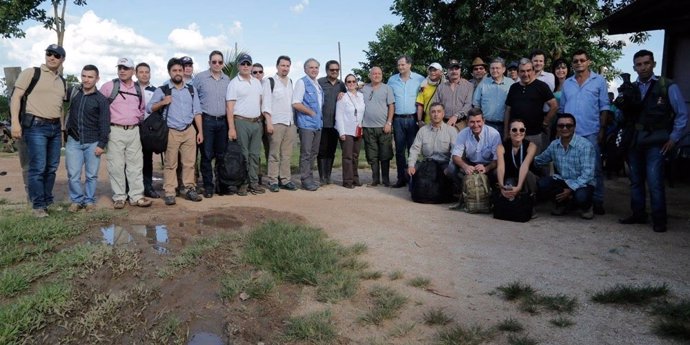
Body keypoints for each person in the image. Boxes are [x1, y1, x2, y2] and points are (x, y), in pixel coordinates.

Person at [618, 49, 689, 232]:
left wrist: (674, 138)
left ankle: (659, 219)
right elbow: (621, 115)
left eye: (646, 63)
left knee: (655, 180)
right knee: (635, 180)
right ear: (634, 67)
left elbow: (682, 114)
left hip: (656, 141)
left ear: (653, 64)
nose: (642, 68)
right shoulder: (631, 88)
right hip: (635, 140)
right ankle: (638, 214)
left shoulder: (666, 85)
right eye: (639, 64)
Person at [10, 44, 67, 217]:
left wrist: (62, 129)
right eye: (49, 53)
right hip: (35, 126)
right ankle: (38, 206)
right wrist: (15, 123)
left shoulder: (61, 81)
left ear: (62, 60)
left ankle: (48, 200)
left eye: (56, 55)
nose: (52, 57)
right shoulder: (31, 73)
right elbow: (16, 97)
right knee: (38, 167)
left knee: (51, 167)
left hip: (55, 127)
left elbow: (60, 107)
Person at [559, 49, 610, 215]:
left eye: (582, 60)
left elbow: (604, 107)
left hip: (591, 132)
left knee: (594, 169)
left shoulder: (599, 81)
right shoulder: (567, 83)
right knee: (568, 169)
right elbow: (562, 110)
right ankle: (571, 201)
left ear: (588, 62)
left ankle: (597, 201)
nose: (579, 63)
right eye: (575, 61)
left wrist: (602, 130)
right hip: (568, 133)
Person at [148, 58, 204, 205]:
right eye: (175, 70)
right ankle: (170, 192)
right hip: (171, 131)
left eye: (180, 70)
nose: (178, 73)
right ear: (169, 72)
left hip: (189, 130)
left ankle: (189, 188)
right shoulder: (163, 89)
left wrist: (200, 132)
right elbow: (149, 108)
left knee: (189, 163)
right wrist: (162, 102)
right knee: (170, 164)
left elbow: (197, 111)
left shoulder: (191, 90)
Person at [100, 57, 152, 209]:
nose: (122, 70)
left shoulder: (138, 89)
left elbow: (141, 110)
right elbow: (100, 108)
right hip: (115, 130)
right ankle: (119, 197)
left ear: (133, 71)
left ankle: (136, 196)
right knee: (116, 165)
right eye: (120, 68)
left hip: (134, 130)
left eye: (126, 68)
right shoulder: (109, 87)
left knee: (135, 165)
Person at [64, 64, 110, 213]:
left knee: (91, 175)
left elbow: (104, 124)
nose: (86, 80)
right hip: (73, 141)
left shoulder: (101, 100)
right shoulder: (74, 93)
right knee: (73, 174)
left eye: (90, 77)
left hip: (93, 142)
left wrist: (101, 144)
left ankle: (89, 200)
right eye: (84, 76)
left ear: (97, 79)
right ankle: (76, 200)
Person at [535, 113, 596, 219]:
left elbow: (588, 175)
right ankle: (562, 205)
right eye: (561, 126)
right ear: (557, 128)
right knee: (542, 184)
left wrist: (571, 189)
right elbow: (539, 160)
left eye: (568, 126)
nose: (564, 128)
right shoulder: (554, 145)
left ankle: (587, 207)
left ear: (574, 128)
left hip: (582, 183)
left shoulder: (585, 146)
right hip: (563, 180)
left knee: (581, 197)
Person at [192, 50, 231, 198]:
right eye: (214, 62)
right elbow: (194, 100)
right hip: (206, 121)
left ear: (223, 63)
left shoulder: (227, 79)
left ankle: (221, 185)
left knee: (221, 155)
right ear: (209, 63)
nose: (217, 64)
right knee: (206, 155)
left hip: (222, 121)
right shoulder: (200, 78)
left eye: (220, 62)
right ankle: (208, 186)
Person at [226, 53, 265, 196]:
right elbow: (229, 107)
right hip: (241, 122)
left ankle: (253, 183)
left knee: (255, 155)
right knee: (243, 155)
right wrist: (231, 128)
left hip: (256, 123)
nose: (246, 66)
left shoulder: (256, 82)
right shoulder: (234, 83)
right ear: (238, 66)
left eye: (248, 64)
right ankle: (242, 184)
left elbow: (260, 102)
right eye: (243, 64)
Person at [504, 58, 558, 154]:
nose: (525, 74)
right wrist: (506, 132)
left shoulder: (542, 86)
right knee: (516, 163)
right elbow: (508, 110)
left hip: (535, 134)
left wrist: (545, 122)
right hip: (516, 134)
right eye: (522, 71)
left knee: (536, 163)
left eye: (528, 70)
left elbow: (554, 105)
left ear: (533, 71)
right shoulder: (513, 87)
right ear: (518, 72)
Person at [450, 108, 502, 206]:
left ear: (484, 121)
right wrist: (465, 166)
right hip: (470, 163)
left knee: (497, 172)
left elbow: (497, 159)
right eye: (472, 122)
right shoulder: (463, 133)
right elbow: (455, 156)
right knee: (451, 169)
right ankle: (466, 192)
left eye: (478, 121)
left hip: (489, 164)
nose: (475, 125)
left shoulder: (494, 134)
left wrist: (486, 168)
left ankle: (491, 196)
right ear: (467, 122)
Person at [388, 55, 425, 188]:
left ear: (409, 65)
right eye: (398, 65)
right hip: (397, 119)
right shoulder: (392, 80)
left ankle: (412, 178)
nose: (400, 67)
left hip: (413, 119)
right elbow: (388, 99)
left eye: (403, 64)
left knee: (412, 149)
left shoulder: (420, 79)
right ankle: (401, 178)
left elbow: (424, 97)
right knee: (399, 150)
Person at [262, 55, 297, 192]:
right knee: (274, 154)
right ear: (277, 66)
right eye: (283, 65)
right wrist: (268, 123)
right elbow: (266, 104)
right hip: (276, 122)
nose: (285, 68)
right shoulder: (270, 82)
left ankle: (285, 180)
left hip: (290, 123)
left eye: (288, 66)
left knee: (286, 154)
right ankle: (272, 180)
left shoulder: (290, 82)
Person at [292, 58, 323, 191]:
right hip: (306, 124)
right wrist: (310, 112)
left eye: (316, 67)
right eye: (311, 67)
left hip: (317, 124)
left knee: (313, 153)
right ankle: (305, 180)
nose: (314, 70)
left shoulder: (317, 85)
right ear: (305, 69)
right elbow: (296, 103)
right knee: (306, 153)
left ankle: (310, 177)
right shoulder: (301, 82)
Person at [407, 102, 457, 184]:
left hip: (444, 164)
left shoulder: (451, 131)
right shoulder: (423, 130)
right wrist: (411, 165)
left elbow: (455, 152)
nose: (436, 114)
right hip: (427, 163)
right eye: (433, 112)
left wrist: (449, 168)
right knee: (409, 171)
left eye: (439, 111)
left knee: (452, 171)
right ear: (429, 114)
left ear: (443, 114)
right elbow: (415, 149)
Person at [361, 67, 395, 187]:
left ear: (382, 75)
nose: (376, 75)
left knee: (385, 154)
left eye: (379, 73)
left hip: (383, 127)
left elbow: (391, 106)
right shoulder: (363, 89)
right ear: (370, 75)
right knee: (372, 154)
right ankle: (375, 179)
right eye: (374, 73)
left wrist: (389, 123)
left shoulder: (387, 88)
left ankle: (385, 179)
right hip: (368, 127)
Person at [317, 60, 347, 185]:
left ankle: (328, 175)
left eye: (337, 70)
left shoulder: (342, 85)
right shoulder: (319, 83)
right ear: (327, 70)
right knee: (321, 150)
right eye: (332, 69)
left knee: (331, 150)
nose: (334, 72)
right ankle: (322, 176)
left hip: (336, 123)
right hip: (322, 122)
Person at [496, 119, 538, 201]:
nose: (518, 132)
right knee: (508, 192)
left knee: (528, 175)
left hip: (528, 179)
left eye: (521, 130)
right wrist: (501, 186)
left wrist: (519, 187)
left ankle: (531, 199)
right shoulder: (501, 147)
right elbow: (500, 167)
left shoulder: (531, 146)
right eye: (514, 130)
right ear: (509, 132)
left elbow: (525, 166)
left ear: (525, 132)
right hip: (511, 177)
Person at [335, 74, 365, 188]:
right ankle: (347, 180)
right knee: (347, 156)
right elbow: (339, 116)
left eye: (353, 81)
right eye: (348, 82)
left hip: (358, 130)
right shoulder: (343, 97)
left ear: (357, 83)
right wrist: (341, 132)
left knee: (355, 155)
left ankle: (355, 178)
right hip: (347, 130)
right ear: (346, 84)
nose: (351, 83)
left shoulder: (361, 96)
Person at [135, 62, 160, 198]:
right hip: (133, 127)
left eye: (147, 72)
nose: (144, 74)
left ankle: (148, 187)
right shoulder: (131, 88)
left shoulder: (155, 90)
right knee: (132, 159)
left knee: (147, 159)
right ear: (136, 73)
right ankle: (131, 188)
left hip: (149, 129)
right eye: (141, 72)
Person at [472, 57, 514, 137]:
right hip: (487, 124)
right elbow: (476, 103)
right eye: (492, 68)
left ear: (503, 69)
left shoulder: (511, 83)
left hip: (505, 125)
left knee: (503, 148)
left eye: (497, 68)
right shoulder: (483, 83)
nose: (494, 70)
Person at [431, 59, 473, 131]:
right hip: (444, 123)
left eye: (456, 69)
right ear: (447, 71)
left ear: (460, 70)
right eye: (451, 69)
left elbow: (468, 105)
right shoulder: (441, 87)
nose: (454, 71)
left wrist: (456, 116)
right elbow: (435, 104)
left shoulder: (469, 86)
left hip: (462, 123)